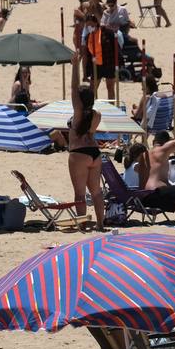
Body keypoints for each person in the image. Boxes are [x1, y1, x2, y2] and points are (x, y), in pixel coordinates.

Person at [67, 52, 106, 228]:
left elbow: (74, 88)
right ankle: (100, 223)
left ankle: (82, 224)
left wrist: (75, 65)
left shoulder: (78, 114)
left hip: (79, 153)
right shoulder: (96, 114)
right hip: (95, 153)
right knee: (96, 192)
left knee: (80, 194)